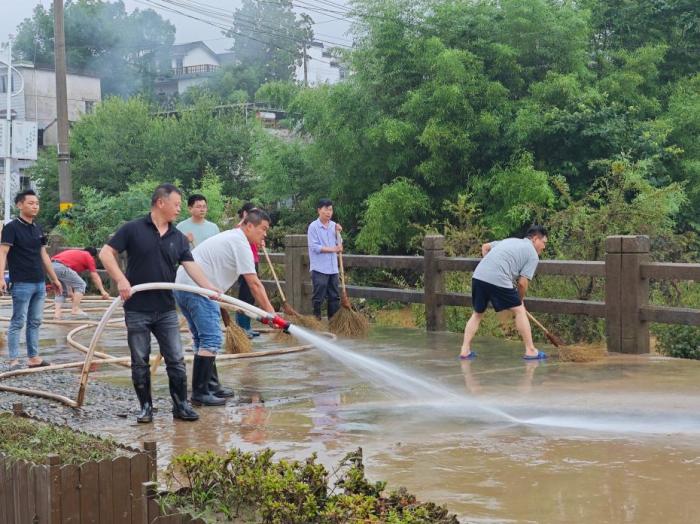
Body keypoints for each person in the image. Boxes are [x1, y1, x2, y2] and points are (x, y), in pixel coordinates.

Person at [100, 184, 220, 424]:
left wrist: (209, 288)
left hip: (165, 308)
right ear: (160, 203)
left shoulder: (178, 237)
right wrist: (121, 280)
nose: (178, 209)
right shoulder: (133, 229)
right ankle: (145, 407)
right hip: (137, 307)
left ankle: (180, 406)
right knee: (140, 361)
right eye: (176, 204)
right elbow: (105, 253)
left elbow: (191, 265)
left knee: (175, 359)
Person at [174, 208, 278, 407]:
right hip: (199, 290)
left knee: (201, 338)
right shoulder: (240, 243)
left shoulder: (233, 238)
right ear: (249, 226)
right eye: (263, 229)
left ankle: (211, 386)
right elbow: (253, 282)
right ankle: (200, 392)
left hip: (184, 286)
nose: (265, 234)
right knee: (211, 338)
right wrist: (270, 313)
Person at [459, 225, 549, 360]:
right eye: (544, 242)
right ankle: (530, 350)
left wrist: (490, 264)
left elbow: (485, 247)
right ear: (535, 239)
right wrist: (520, 300)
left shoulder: (510, 241)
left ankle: (465, 350)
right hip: (498, 279)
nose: (544, 247)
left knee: (477, 314)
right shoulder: (532, 254)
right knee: (519, 311)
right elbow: (522, 283)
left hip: (479, 276)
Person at [0, 190, 63, 370]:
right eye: (30, 203)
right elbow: (3, 252)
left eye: (37, 203)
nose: (35, 206)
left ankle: (33, 358)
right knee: (18, 320)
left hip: (39, 282)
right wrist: (0, 278)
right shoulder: (11, 228)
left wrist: (54, 278)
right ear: (20, 205)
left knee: (35, 321)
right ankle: (13, 360)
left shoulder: (38, 228)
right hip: (21, 282)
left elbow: (43, 254)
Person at [307, 199, 343, 321]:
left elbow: (340, 245)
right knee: (319, 296)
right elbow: (315, 247)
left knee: (334, 296)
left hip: (333, 268)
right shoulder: (313, 226)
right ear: (319, 210)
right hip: (319, 268)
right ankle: (316, 320)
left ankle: (333, 321)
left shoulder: (334, 226)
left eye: (330, 209)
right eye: (326, 209)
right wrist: (334, 249)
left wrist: (338, 232)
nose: (329, 212)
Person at [51, 247, 111, 319]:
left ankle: (57, 314)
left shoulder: (77, 255)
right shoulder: (88, 256)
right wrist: (103, 291)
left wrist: (70, 292)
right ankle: (75, 309)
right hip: (61, 267)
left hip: (51, 267)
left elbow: (68, 278)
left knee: (60, 291)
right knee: (81, 285)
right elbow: (95, 276)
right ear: (94, 256)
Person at [235, 203, 261, 338]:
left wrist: (260, 241)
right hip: (244, 264)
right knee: (245, 295)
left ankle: (247, 326)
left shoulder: (254, 227)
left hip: (253, 261)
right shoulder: (241, 227)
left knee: (251, 296)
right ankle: (241, 326)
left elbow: (255, 245)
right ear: (245, 214)